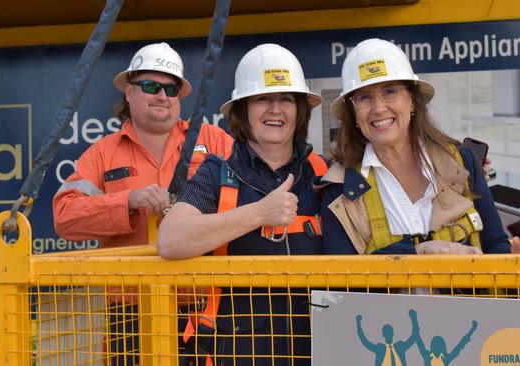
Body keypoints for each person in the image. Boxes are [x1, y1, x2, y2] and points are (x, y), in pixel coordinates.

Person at [52, 42, 234, 365]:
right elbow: (65, 216)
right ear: (128, 91)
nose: (163, 96)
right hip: (131, 316)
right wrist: (128, 201)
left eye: (171, 88)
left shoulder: (214, 141)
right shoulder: (102, 153)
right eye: (151, 86)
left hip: (207, 310)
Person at [157, 43, 327, 365]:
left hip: (315, 348)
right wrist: (260, 213)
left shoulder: (322, 173)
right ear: (243, 110)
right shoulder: (217, 172)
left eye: (286, 99)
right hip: (237, 350)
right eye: (263, 98)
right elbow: (170, 239)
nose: (275, 109)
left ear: (299, 110)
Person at [318, 38, 520, 256]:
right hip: (385, 309)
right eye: (364, 97)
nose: (379, 108)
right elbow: (345, 282)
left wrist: (519, 258)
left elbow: (494, 246)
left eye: (390, 91)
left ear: (412, 100)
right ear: (353, 115)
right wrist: (417, 252)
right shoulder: (340, 188)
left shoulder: (461, 161)